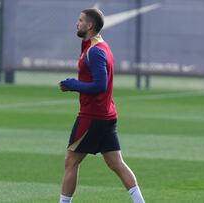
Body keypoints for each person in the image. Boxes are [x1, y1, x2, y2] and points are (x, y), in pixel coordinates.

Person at [58, 8, 145, 203]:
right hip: (106, 115)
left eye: (80, 20)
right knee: (116, 162)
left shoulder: (95, 51)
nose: (77, 23)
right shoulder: (97, 45)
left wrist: (73, 85)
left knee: (71, 161)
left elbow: (100, 85)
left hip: (92, 116)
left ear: (90, 25)